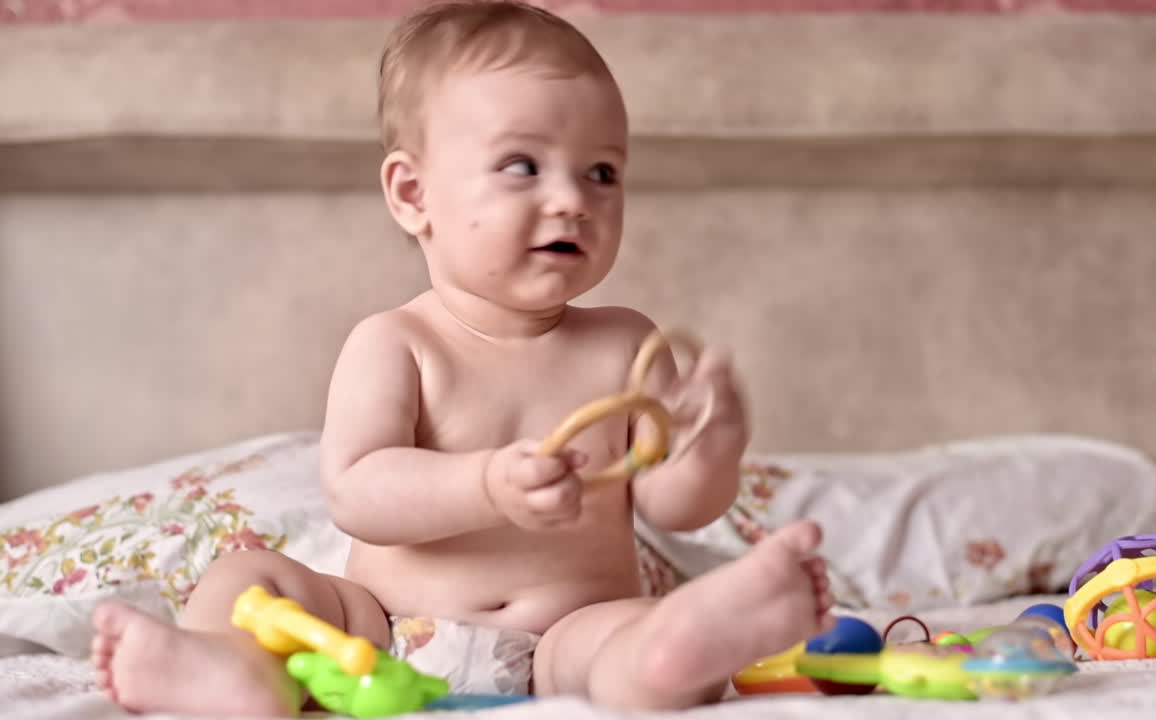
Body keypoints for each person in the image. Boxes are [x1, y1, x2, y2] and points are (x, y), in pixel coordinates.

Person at [90, 2, 833, 715]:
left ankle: (677, 650)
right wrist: (485, 485)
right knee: (248, 577)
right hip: (381, 629)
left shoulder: (626, 344)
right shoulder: (395, 342)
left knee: (626, 631)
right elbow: (358, 492)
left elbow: (675, 505)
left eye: (601, 173)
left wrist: (710, 450)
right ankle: (229, 669)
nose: (573, 199)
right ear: (413, 194)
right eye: (522, 165)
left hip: (561, 638)